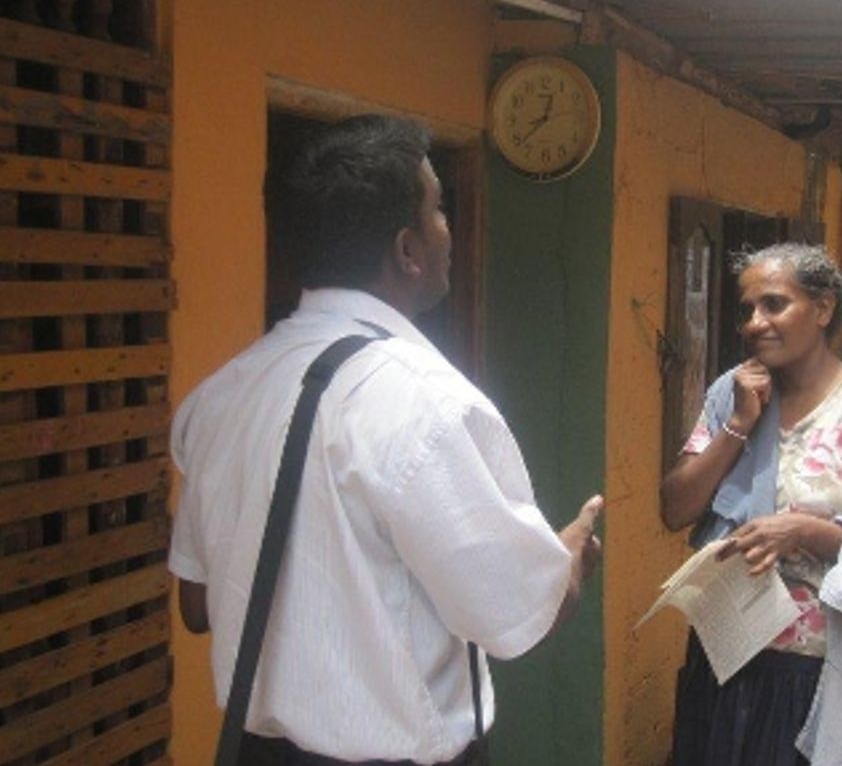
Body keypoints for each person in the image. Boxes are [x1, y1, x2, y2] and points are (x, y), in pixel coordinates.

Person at [168, 114, 603, 766]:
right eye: (438, 210)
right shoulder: (427, 403)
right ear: (407, 250)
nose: (446, 230)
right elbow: (519, 615)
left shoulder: (220, 397)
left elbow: (198, 603)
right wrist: (572, 556)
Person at [659, 243, 842, 766]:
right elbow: (676, 508)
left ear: (823, 309)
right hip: (725, 661)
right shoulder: (733, 393)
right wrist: (739, 425)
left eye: (774, 304)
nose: (755, 323)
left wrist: (805, 532)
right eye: (748, 309)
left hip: (817, 674)